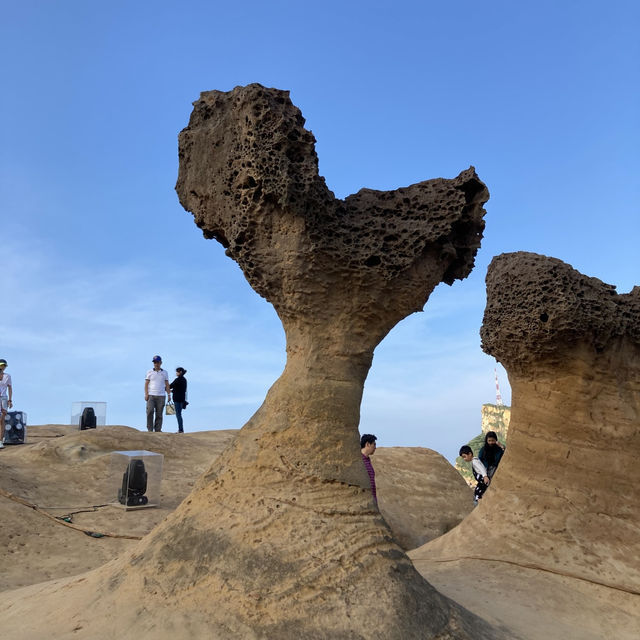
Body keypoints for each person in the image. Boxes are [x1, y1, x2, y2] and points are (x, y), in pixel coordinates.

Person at [144, 356, 171, 432]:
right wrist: (146, 394)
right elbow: (146, 384)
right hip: (151, 395)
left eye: (157, 362)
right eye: (154, 362)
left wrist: (169, 395)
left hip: (161, 396)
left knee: (159, 414)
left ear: (161, 363)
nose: (156, 364)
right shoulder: (149, 372)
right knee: (150, 411)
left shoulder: (165, 372)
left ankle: (158, 430)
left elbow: (167, 384)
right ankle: (150, 429)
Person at [169, 367, 188, 433]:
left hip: (177, 399)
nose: (176, 373)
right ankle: (181, 429)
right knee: (179, 414)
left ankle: (180, 430)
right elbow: (182, 390)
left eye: (177, 371)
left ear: (180, 372)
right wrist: (173, 391)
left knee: (178, 414)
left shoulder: (177, 380)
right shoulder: (184, 380)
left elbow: (170, 386)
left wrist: (167, 388)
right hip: (182, 399)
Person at [360, 433, 377, 504]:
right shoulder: (359, 460)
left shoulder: (367, 460)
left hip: (372, 499)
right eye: (374, 444)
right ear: (367, 444)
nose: (375, 447)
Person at [0, 358, 13, 449]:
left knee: (1, 419)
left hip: (3, 398)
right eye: (1, 365)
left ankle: (0, 441)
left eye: (4, 365)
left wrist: (10, 400)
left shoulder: (7, 376)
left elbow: (9, 388)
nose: (2, 367)